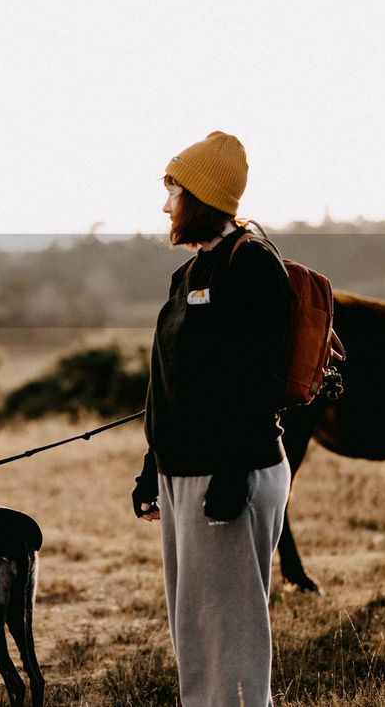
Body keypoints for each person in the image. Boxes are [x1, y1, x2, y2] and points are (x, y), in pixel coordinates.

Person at [131, 131, 292, 707]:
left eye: (172, 191)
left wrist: (229, 475)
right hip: (185, 473)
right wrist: (153, 466)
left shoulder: (250, 266)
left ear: (199, 196)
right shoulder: (192, 273)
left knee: (230, 637)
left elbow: (258, 381)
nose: (165, 205)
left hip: (231, 473)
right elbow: (171, 377)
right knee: (197, 631)